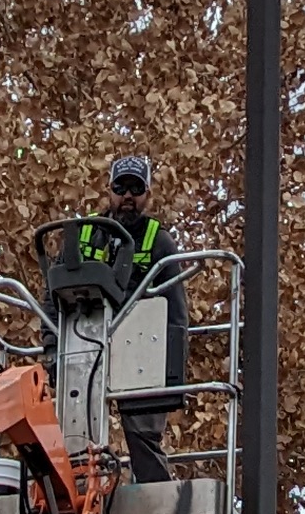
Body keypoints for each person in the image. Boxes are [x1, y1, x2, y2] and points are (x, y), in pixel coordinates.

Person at [34, 154, 189, 482]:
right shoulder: (84, 233)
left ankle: (154, 495)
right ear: (109, 191)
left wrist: (170, 372)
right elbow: (52, 294)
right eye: (121, 188)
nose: (128, 196)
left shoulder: (158, 240)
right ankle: (77, 486)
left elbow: (175, 311)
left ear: (147, 194)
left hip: (139, 346)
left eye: (136, 188)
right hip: (83, 344)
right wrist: (51, 347)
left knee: (143, 433)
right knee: (76, 431)